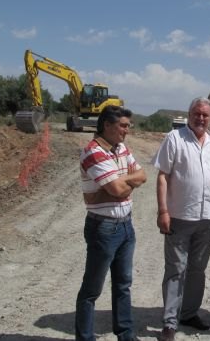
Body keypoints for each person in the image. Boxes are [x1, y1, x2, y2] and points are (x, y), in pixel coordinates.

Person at [153, 98, 210, 341]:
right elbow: (163, 176)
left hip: (208, 220)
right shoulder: (174, 139)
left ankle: (189, 313)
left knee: (197, 269)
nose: (201, 118)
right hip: (179, 218)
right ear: (189, 114)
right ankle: (170, 323)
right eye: (197, 114)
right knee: (176, 269)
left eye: (205, 115)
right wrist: (163, 211)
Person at [75, 105, 147, 341]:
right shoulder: (93, 152)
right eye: (123, 126)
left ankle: (125, 335)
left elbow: (143, 175)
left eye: (128, 126)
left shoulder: (121, 148)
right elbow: (117, 189)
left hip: (126, 225)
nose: (127, 131)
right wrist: (124, 181)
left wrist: (120, 180)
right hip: (103, 228)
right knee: (92, 290)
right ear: (107, 125)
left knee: (123, 284)